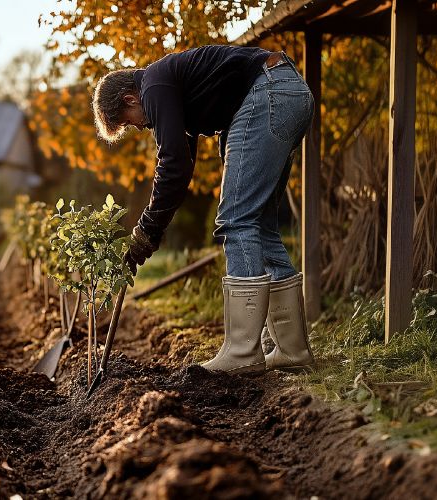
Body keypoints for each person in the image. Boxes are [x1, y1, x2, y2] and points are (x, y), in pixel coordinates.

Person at [91, 45, 315, 375]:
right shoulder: (168, 88)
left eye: (130, 123)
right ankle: (291, 349)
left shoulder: (153, 86)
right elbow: (180, 170)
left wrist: (145, 232)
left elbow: (173, 165)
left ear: (130, 99)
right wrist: (150, 235)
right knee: (259, 224)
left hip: (269, 92)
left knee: (236, 220)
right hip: (289, 91)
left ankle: (242, 351)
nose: (139, 127)